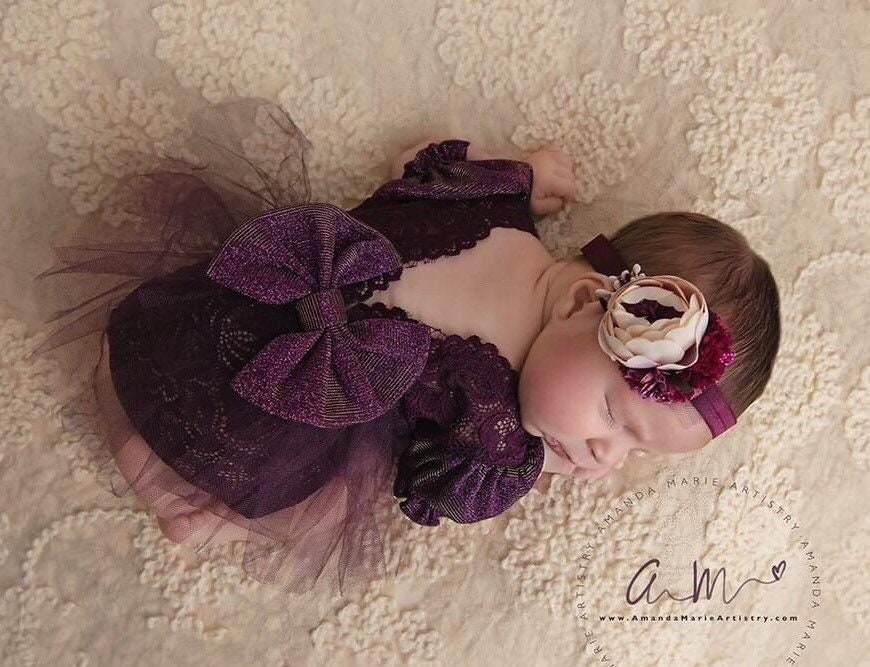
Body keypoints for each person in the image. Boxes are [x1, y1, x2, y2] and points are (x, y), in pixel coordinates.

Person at [29, 98, 781, 596]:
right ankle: (208, 514)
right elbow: (435, 488)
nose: (605, 456)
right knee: (328, 504)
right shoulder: (497, 427)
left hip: (203, 314)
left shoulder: (495, 205)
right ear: (587, 301)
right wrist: (545, 457)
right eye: (615, 417)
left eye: (630, 450)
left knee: (179, 335)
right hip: (271, 423)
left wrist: (525, 170)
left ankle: (136, 406)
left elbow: (419, 165)